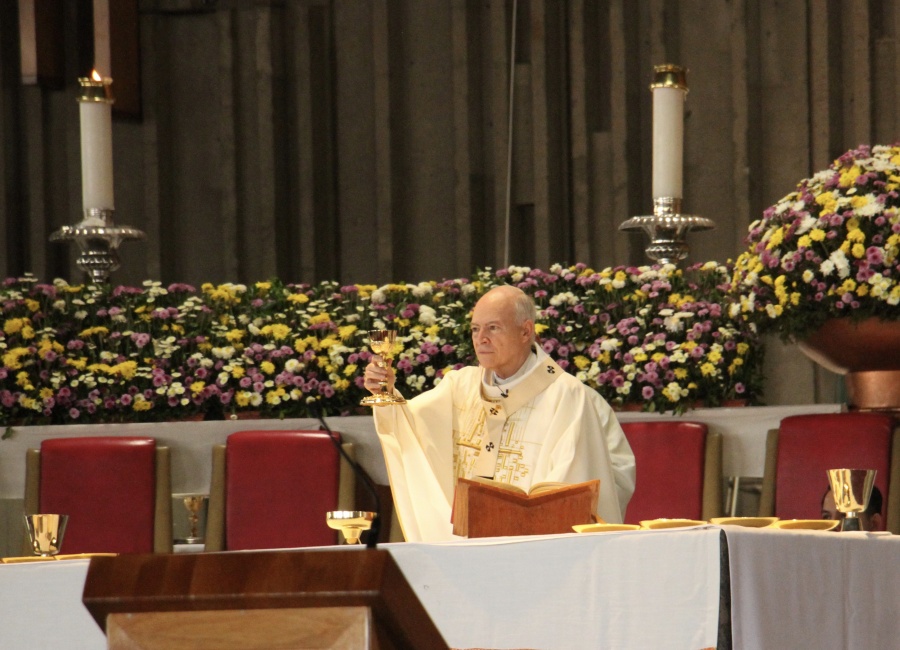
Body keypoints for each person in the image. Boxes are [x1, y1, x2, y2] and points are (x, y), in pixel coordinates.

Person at [363, 284, 636, 542]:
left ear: (526, 331)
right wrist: (385, 393)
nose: (481, 339)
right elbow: (409, 428)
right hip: (464, 549)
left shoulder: (568, 397)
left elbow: (576, 490)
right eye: (475, 329)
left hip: (533, 551)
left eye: (493, 328)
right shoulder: (460, 387)